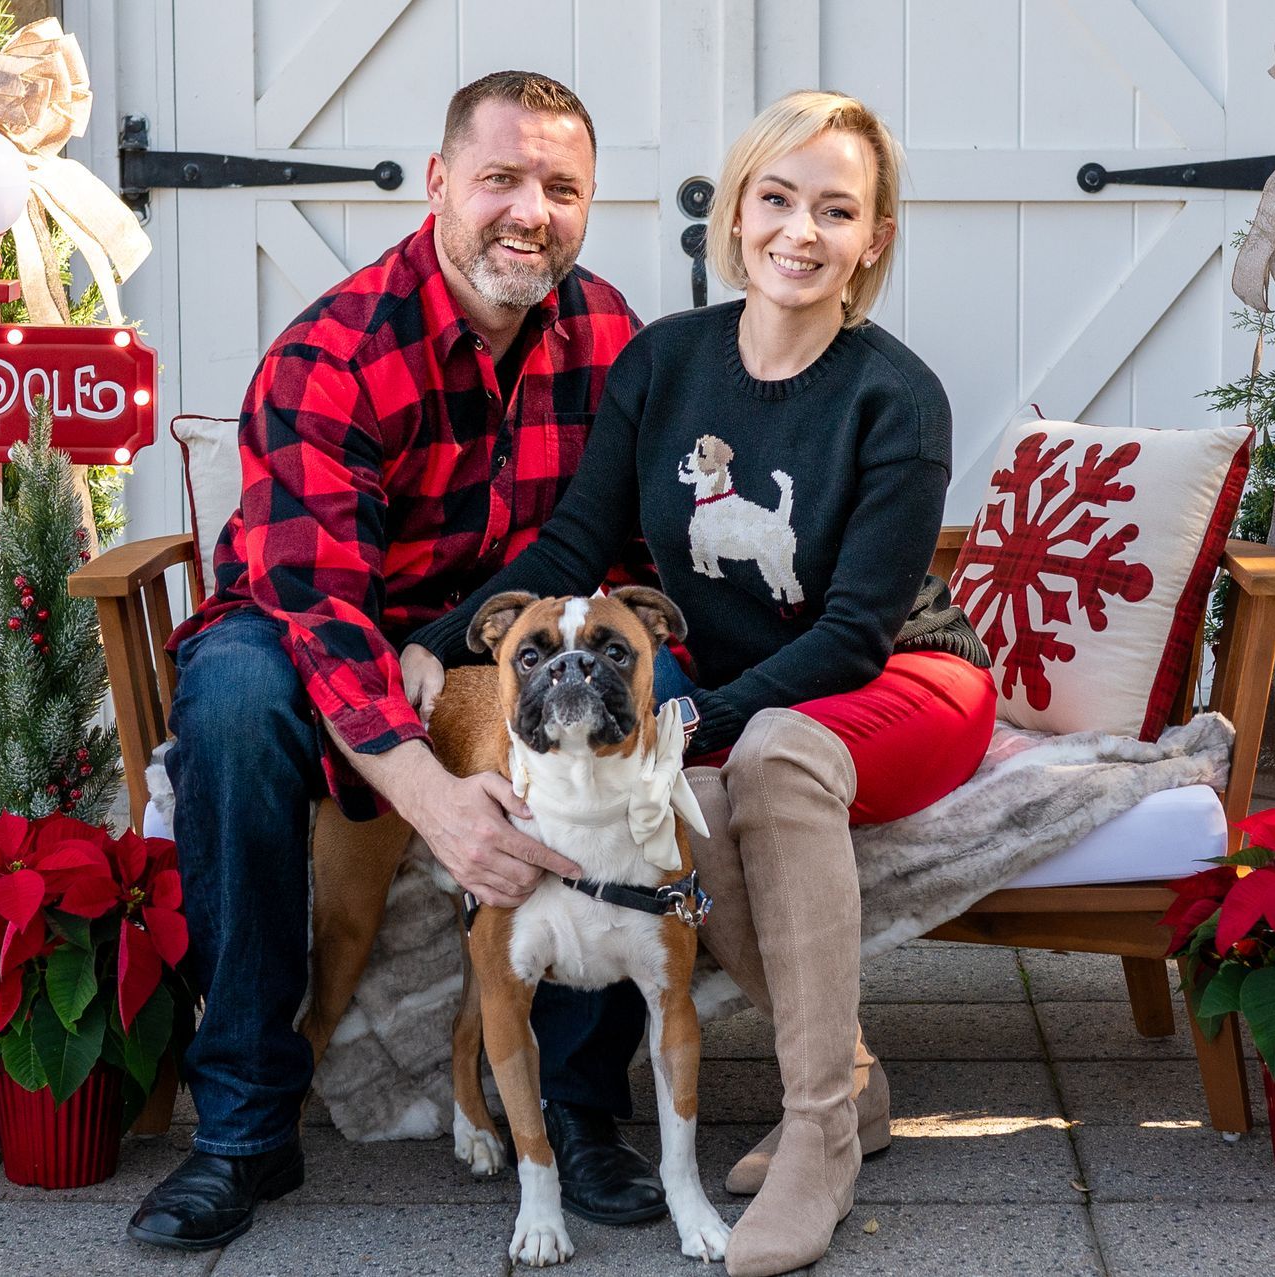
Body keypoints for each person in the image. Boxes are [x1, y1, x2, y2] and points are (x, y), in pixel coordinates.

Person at [403, 90, 998, 1276]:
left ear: (871, 238)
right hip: (748, 690)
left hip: (905, 677)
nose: (800, 230)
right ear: (737, 212)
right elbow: (576, 544)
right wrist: (439, 640)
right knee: (703, 795)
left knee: (761, 756)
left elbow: (850, 633)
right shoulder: (665, 363)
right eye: (777, 198)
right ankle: (853, 1084)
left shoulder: (897, 396)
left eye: (837, 209)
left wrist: (685, 722)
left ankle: (818, 1135)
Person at [131, 71, 672, 1252]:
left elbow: (619, 541)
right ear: (438, 184)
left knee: (657, 691)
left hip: (502, 653)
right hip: (310, 623)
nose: (531, 211)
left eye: (562, 187)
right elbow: (319, 607)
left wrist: (451, 650)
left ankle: (580, 1110)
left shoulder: (612, 335)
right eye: (502, 179)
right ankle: (243, 1121)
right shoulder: (332, 350)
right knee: (231, 700)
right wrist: (432, 799)